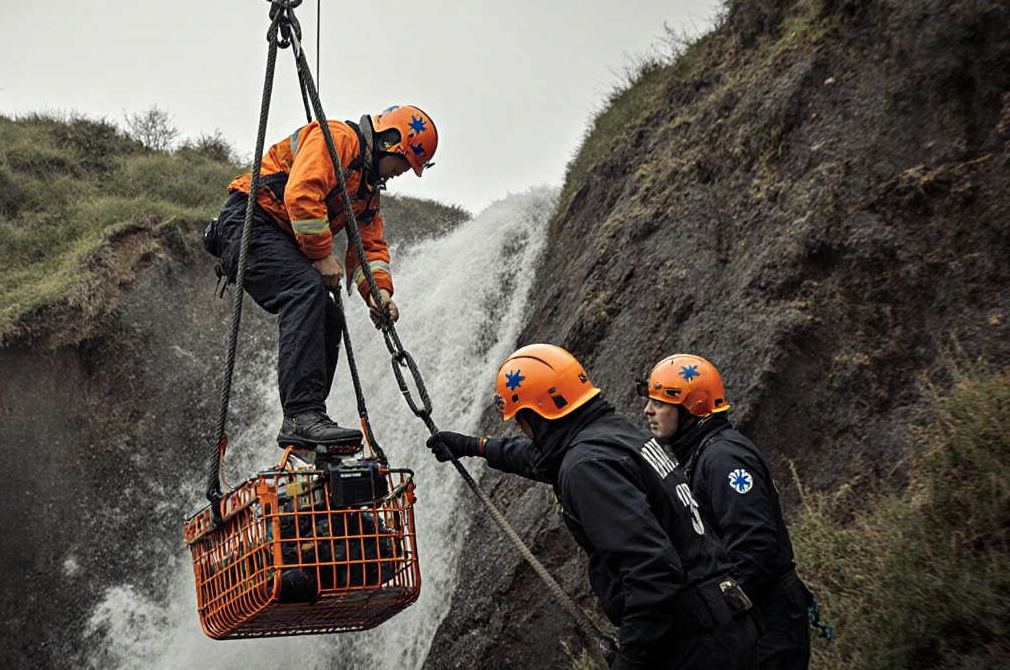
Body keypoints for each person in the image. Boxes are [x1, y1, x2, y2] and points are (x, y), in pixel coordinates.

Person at [427, 344, 758, 670]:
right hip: (723, 621)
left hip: (690, 640)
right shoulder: (614, 435)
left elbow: (652, 572)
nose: (518, 429)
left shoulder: (586, 465)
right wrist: (476, 447)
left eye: (520, 419)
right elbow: (542, 459)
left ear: (538, 414)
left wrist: (632, 658)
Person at [212, 105, 437, 451]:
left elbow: (369, 248)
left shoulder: (366, 192)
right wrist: (320, 254)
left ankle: (311, 416)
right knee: (305, 289)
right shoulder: (338, 140)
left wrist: (380, 294)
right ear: (391, 143)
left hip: (279, 235)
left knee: (330, 315)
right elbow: (301, 193)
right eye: (405, 163)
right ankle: (301, 416)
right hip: (248, 221)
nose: (402, 173)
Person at [644, 354, 811, 670]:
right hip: (755, 619)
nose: (648, 411)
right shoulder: (700, 455)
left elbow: (754, 551)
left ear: (690, 408)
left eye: (660, 403)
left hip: (767, 621)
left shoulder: (723, 459)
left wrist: (722, 621)